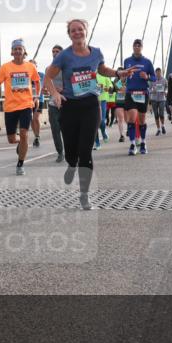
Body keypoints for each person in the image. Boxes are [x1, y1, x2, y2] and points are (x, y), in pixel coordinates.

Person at [45, 19, 132, 210]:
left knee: (86, 150)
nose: (77, 32)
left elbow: (102, 69)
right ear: (69, 34)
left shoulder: (97, 52)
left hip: (91, 105)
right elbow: (48, 76)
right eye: (73, 30)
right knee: (71, 148)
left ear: (86, 31)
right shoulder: (64, 56)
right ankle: (71, 163)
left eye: (80, 29)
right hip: (69, 106)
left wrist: (119, 73)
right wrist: (55, 94)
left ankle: (84, 194)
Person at [0, 40, 40, 176]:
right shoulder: (5, 67)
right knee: (11, 139)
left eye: (20, 49)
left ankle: (20, 164)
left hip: (26, 105)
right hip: (10, 107)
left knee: (25, 133)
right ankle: (20, 141)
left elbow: (37, 82)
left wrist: (36, 96)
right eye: (15, 49)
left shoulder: (30, 67)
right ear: (12, 52)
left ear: (24, 51)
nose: (18, 51)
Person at [122, 39, 156, 155]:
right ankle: (132, 144)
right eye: (135, 45)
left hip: (142, 94)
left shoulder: (147, 62)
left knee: (142, 120)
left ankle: (143, 143)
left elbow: (154, 78)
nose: (137, 47)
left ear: (142, 47)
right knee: (131, 118)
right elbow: (124, 76)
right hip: (130, 93)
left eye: (139, 45)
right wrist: (124, 76)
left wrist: (147, 77)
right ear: (132, 47)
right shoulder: (127, 61)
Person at [46, 45, 65, 163]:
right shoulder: (48, 68)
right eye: (53, 51)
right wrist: (50, 90)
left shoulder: (67, 68)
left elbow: (72, 83)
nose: (55, 53)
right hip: (53, 104)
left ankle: (71, 150)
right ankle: (60, 152)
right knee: (55, 130)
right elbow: (47, 84)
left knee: (67, 130)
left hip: (66, 103)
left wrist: (62, 89)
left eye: (57, 51)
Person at [30, 56, 44, 148]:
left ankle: (38, 136)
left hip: (39, 99)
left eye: (33, 66)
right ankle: (35, 136)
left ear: (36, 66)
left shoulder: (42, 75)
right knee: (31, 119)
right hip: (28, 100)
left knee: (36, 118)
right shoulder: (26, 75)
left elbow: (44, 85)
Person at [150, 68, 168, 135]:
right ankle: (158, 129)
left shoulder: (164, 80)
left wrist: (166, 91)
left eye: (159, 72)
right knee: (156, 115)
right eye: (156, 72)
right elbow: (149, 89)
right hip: (154, 99)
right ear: (155, 73)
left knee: (161, 114)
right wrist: (152, 91)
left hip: (162, 99)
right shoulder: (152, 80)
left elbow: (167, 87)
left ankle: (163, 126)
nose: (158, 74)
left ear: (161, 73)